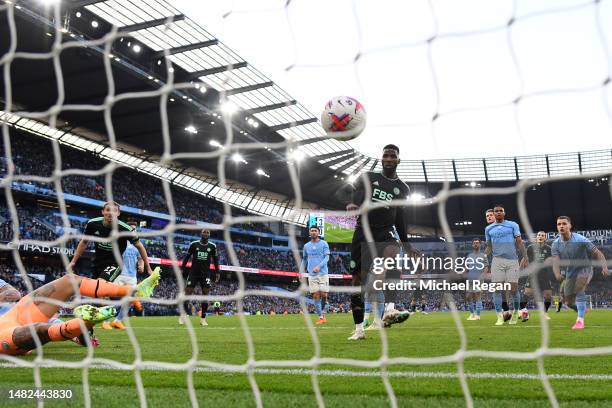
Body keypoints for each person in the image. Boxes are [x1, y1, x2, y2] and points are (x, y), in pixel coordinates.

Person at [0, 269, 159, 355]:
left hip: (17, 313)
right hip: (5, 331)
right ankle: (86, 321)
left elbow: (13, 294)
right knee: (40, 329)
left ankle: (134, 291)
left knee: (70, 280)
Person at [346, 144, 411, 341]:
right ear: (381, 159)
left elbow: (399, 217)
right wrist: (354, 203)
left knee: (392, 253)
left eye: (393, 156)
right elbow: (356, 193)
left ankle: (390, 310)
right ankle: (359, 330)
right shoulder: (369, 177)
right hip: (363, 232)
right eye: (386, 155)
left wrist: (406, 242)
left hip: (385, 232)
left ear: (398, 160)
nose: (389, 158)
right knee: (357, 281)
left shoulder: (403, 188)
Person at [69, 201, 153, 281]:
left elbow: (140, 246)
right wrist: (73, 262)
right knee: (96, 291)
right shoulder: (92, 224)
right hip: (97, 262)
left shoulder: (126, 229)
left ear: (118, 213)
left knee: (100, 283)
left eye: (114, 211)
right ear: (103, 212)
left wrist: (148, 268)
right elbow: (84, 242)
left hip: (115, 264)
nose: (110, 213)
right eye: (108, 210)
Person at [551, 216, 609, 330]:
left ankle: (580, 321)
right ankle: (581, 309)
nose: (561, 226)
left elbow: (598, 253)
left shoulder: (581, 239)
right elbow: (555, 262)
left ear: (570, 226)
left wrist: (605, 267)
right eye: (559, 224)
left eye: (564, 223)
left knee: (578, 288)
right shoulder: (555, 244)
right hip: (570, 272)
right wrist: (557, 274)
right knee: (567, 303)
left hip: (585, 269)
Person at [485, 205, 528, 325]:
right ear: (494, 214)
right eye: (496, 211)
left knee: (513, 289)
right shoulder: (488, 229)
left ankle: (515, 313)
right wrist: (483, 257)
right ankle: (499, 316)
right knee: (496, 289)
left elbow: (519, 242)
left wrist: (525, 257)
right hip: (497, 261)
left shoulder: (513, 225)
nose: (498, 213)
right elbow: (489, 246)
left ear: (504, 213)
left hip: (512, 260)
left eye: (500, 211)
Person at [180, 228, 220, 326]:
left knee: (205, 296)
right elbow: (187, 257)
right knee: (187, 294)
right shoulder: (194, 244)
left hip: (205, 274)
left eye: (207, 232)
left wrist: (217, 272)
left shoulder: (212, 246)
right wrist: (182, 268)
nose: (205, 234)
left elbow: (215, 261)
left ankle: (203, 319)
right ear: (201, 234)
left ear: (209, 235)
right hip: (193, 273)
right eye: (204, 232)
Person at [521, 231, 554, 321]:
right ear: (536, 237)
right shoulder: (531, 247)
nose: (540, 236)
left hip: (544, 275)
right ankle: (523, 310)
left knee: (548, 295)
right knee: (527, 293)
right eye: (539, 235)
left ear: (545, 238)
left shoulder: (549, 249)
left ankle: (544, 313)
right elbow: (525, 258)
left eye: (542, 235)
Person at [302, 226, 330, 325]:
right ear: (310, 233)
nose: (313, 232)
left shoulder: (324, 243)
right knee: (315, 295)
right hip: (312, 274)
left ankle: (324, 309)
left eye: (315, 231)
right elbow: (304, 259)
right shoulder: (306, 246)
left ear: (318, 233)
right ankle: (321, 317)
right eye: (312, 231)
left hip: (323, 273)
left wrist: (319, 266)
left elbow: (327, 258)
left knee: (324, 294)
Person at [465, 238, 488, 321]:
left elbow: (486, 267)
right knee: (468, 296)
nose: (476, 244)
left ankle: (478, 315)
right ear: (472, 245)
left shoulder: (483, 255)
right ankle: (472, 314)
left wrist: (482, 275)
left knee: (477, 295)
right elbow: (467, 267)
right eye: (474, 243)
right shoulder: (469, 255)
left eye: (477, 243)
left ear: (480, 245)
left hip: (479, 278)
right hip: (470, 278)